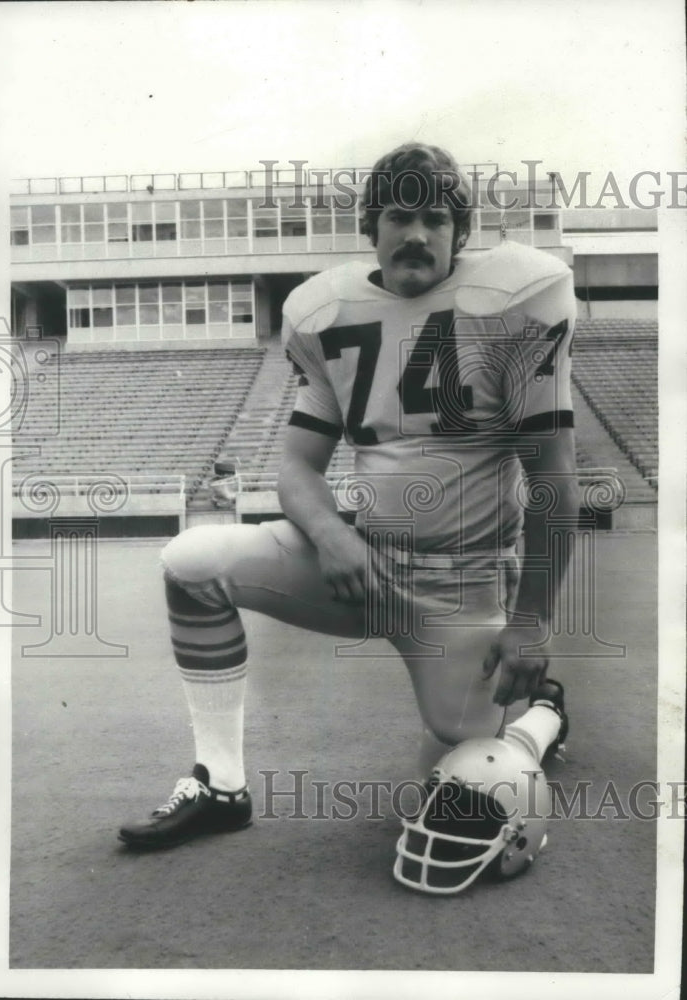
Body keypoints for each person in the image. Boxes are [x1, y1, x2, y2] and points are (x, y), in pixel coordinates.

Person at [118, 143, 577, 866]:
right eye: (400, 215)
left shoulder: (514, 302)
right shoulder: (329, 312)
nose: (416, 234)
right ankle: (221, 784)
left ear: (461, 233)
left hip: (461, 589)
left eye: (434, 218)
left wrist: (530, 621)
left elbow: (551, 475)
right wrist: (331, 534)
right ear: (372, 226)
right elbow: (297, 466)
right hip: (362, 568)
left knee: (460, 787)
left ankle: (541, 716)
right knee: (190, 562)